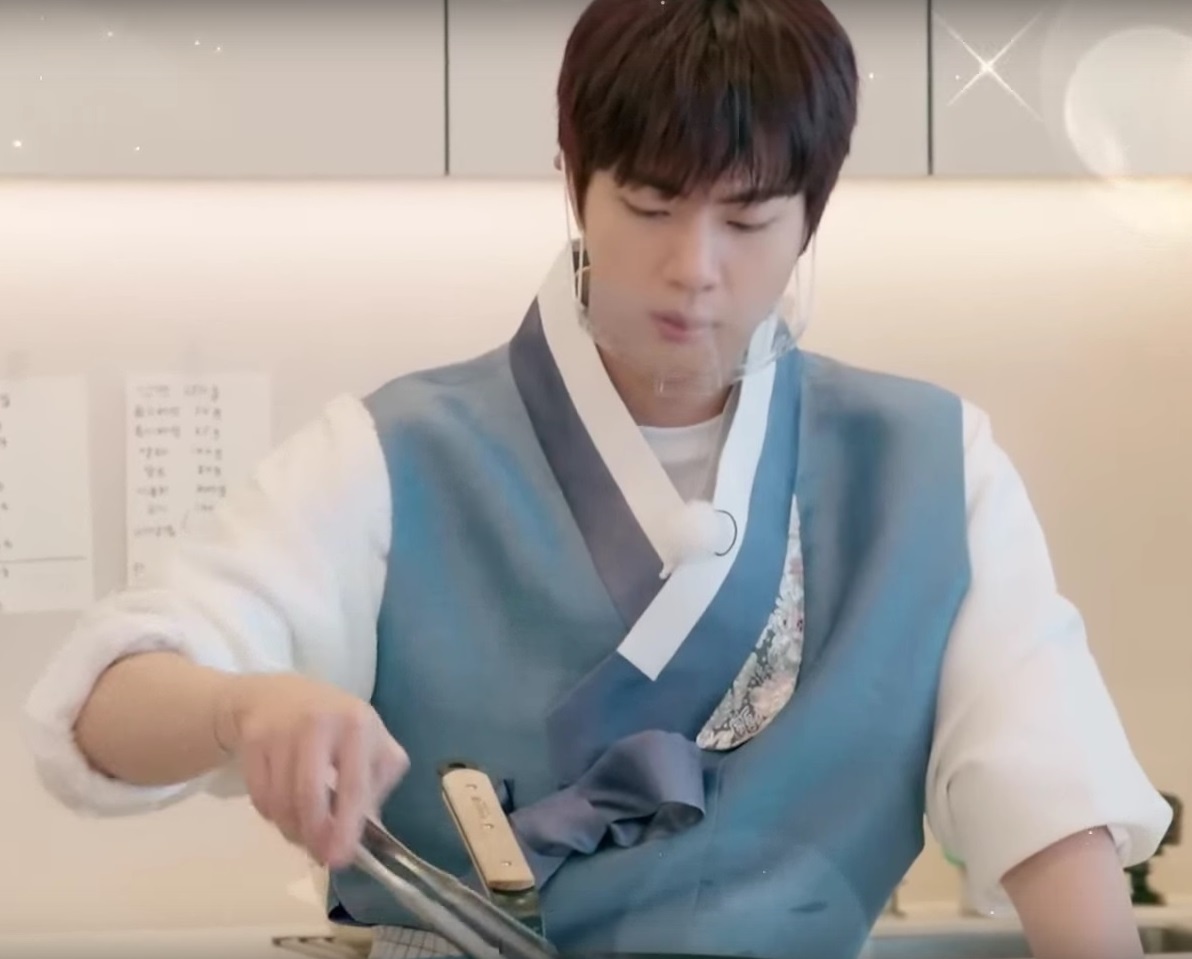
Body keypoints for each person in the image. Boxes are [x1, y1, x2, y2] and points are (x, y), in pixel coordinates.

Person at [22, 1, 1171, 958]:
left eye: (749, 218)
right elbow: (100, 708)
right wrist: (242, 706)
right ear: (573, 179)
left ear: (812, 214)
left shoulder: (930, 463)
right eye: (650, 205)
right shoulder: (396, 452)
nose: (694, 267)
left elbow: (1049, 804)